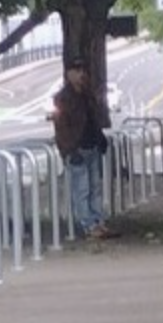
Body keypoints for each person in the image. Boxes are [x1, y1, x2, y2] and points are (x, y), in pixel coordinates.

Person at [51, 56, 114, 239]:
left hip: (92, 146)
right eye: (76, 70)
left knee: (95, 188)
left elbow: (93, 120)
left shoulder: (88, 95)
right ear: (68, 73)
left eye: (82, 70)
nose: (80, 74)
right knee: (82, 189)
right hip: (77, 150)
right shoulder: (62, 99)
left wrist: (100, 138)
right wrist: (69, 151)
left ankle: (98, 222)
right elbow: (61, 129)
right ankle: (88, 225)